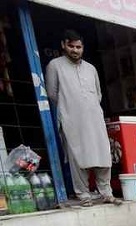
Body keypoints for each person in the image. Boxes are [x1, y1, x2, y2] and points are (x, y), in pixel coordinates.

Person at [46, 30, 121, 207]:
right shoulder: (55, 65)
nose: (75, 50)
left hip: (95, 118)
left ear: (83, 48)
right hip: (72, 119)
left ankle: (106, 193)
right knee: (77, 156)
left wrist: (88, 106)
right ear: (63, 45)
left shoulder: (91, 68)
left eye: (78, 47)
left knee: (102, 154)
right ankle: (84, 196)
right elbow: (52, 93)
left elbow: (98, 94)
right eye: (71, 46)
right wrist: (72, 105)